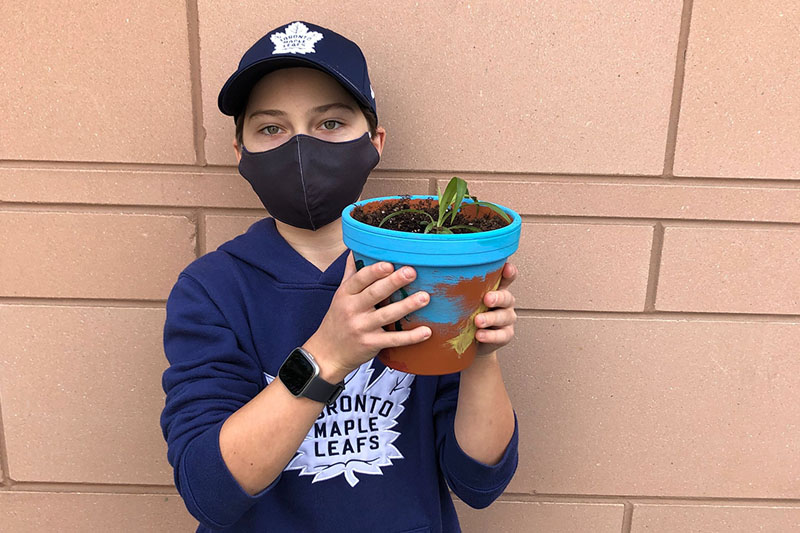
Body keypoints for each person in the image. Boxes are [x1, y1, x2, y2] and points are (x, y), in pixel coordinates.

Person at [160, 20, 520, 533]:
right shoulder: (212, 289)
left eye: (330, 123)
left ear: (374, 141)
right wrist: (327, 355)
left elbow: (479, 482)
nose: (301, 146)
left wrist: (477, 351)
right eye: (271, 128)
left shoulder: (425, 271)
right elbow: (210, 492)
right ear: (240, 153)